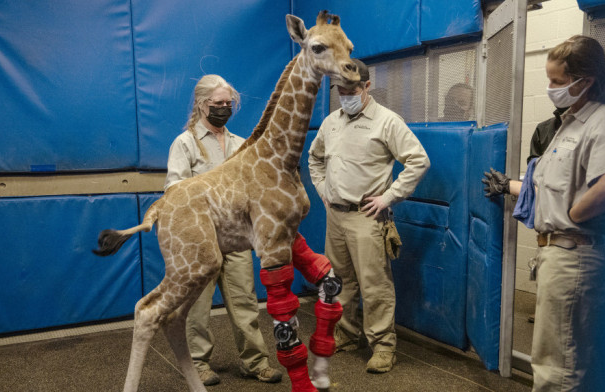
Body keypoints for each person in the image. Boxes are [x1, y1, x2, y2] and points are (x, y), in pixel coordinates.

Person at [483, 35, 605, 391]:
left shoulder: (603, 121)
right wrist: (508, 186)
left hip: (573, 255)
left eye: (558, 82)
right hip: (557, 254)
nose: (550, 88)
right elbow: (547, 188)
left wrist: (575, 214)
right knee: (559, 356)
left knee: (557, 365)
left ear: (586, 81)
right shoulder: (569, 123)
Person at [308, 59, 430, 374]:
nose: (345, 95)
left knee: (375, 285)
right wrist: (323, 189)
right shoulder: (330, 122)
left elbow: (418, 160)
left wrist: (389, 197)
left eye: (351, 89)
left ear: (367, 86)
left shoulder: (387, 121)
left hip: (367, 216)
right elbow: (315, 158)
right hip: (335, 215)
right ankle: (347, 335)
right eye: (340, 90)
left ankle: (383, 346)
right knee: (339, 282)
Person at [164, 74, 282, 386]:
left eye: (228, 104)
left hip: (236, 238)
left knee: (245, 302)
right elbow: (174, 191)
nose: (223, 109)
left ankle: (255, 362)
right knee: (198, 308)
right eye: (217, 104)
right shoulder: (185, 144)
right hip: (200, 243)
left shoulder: (242, 144)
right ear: (202, 105)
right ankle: (198, 365)